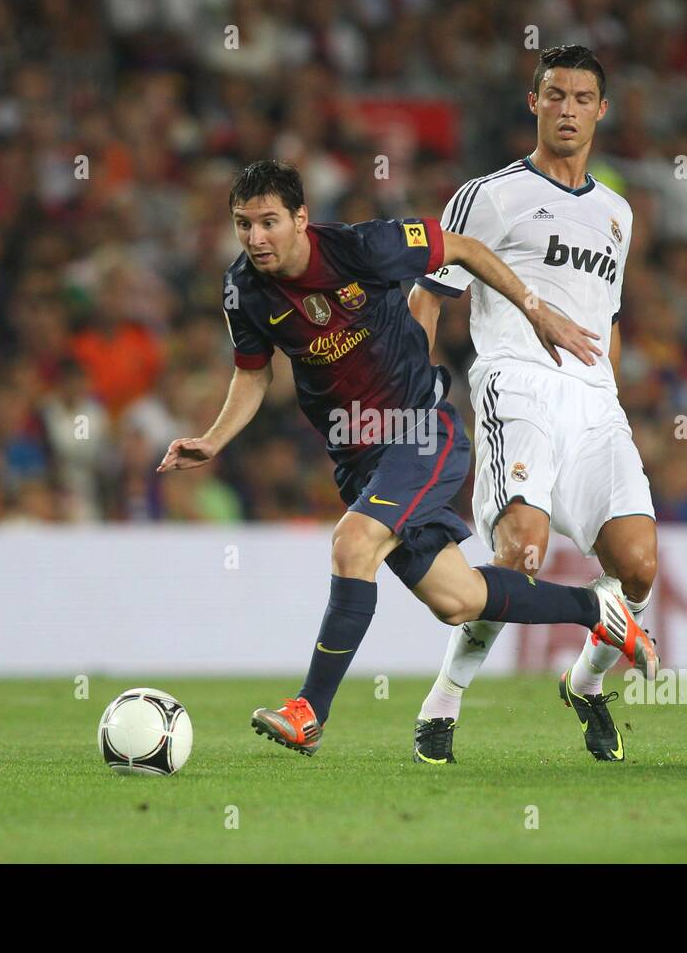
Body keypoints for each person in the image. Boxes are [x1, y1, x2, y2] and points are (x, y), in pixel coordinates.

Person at [158, 159, 656, 757]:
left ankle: (309, 710)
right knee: (459, 599)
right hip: (358, 456)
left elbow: (465, 249)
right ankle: (595, 608)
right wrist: (214, 438)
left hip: (420, 431)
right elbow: (254, 372)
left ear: (300, 219)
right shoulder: (242, 287)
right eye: (243, 225)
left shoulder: (362, 248)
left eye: (268, 222)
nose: (255, 238)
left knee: (352, 543)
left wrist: (532, 306)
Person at [409, 45, 659, 764]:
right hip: (516, 383)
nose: (569, 110)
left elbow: (606, 324)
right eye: (555, 96)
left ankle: (584, 684)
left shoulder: (618, 214)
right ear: (534, 103)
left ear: (602, 111)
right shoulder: (489, 195)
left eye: (583, 98)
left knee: (637, 564)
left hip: (595, 403)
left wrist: (612, 406)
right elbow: (430, 295)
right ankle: (443, 704)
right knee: (520, 553)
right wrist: (411, 399)